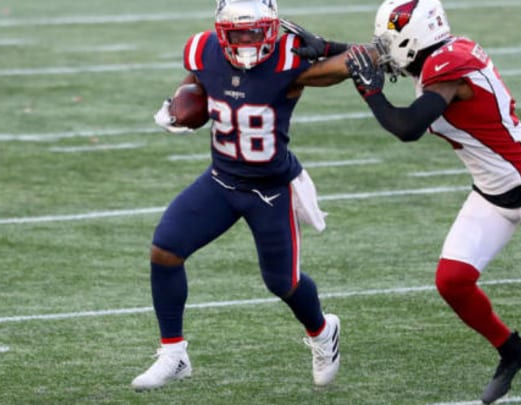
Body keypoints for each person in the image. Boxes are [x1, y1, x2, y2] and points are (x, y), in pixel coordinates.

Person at [290, 0, 521, 403]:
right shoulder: (437, 54)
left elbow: (407, 127)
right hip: (491, 193)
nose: (385, 46)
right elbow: (389, 53)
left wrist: (369, 91)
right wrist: (328, 47)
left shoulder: (451, 67)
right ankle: (513, 351)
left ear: (416, 37)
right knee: (452, 282)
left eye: (391, 39)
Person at [131, 0, 354, 391]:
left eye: (256, 31)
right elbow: (197, 79)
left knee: (282, 282)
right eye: (239, 33)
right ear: (221, 33)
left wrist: (330, 46)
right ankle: (173, 354)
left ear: (271, 29)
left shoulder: (289, 57)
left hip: (269, 189)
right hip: (221, 180)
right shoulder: (203, 50)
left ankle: (322, 332)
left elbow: (352, 63)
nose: (249, 40)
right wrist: (180, 102)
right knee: (165, 249)